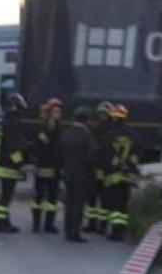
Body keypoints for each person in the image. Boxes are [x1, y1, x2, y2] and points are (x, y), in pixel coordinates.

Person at [0, 92, 28, 234]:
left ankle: (3, 221)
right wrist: (20, 164)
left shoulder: (3, 122)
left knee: (4, 195)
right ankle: (1, 224)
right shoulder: (12, 124)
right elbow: (13, 148)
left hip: (1, 164)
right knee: (6, 197)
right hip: (9, 166)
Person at [102, 104, 140, 241]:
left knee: (114, 205)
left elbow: (106, 154)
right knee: (123, 204)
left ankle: (115, 232)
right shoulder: (134, 135)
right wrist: (129, 167)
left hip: (114, 175)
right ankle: (122, 231)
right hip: (128, 176)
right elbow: (137, 154)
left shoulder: (109, 135)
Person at [59, 107, 96, 243]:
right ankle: (75, 233)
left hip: (68, 173)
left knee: (69, 203)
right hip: (82, 174)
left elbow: (61, 153)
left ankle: (67, 232)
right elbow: (91, 156)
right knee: (79, 205)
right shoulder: (87, 135)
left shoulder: (67, 133)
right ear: (86, 119)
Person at [31, 97, 64, 234]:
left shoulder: (59, 127)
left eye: (59, 111)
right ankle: (36, 223)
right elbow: (42, 146)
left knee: (52, 199)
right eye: (56, 111)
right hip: (43, 167)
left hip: (55, 168)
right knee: (39, 197)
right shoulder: (43, 128)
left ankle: (49, 224)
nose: (58, 114)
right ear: (50, 112)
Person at [84, 101, 114, 234]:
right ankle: (92, 224)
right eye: (101, 114)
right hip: (94, 169)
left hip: (106, 170)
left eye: (105, 114)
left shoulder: (112, 132)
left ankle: (102, 225)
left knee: (105, 200)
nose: (102, 116)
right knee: (91, 199)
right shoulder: (93, 130)